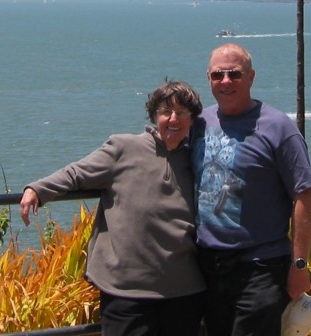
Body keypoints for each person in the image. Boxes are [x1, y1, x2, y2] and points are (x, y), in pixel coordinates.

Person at [19, 80, 205, 336]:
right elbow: (76, 174)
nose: (173, 119)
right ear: (154, 115)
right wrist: (38, 190)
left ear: (192, 120)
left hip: (184, 290)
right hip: (125, 290)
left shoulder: (197, 157)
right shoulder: (123, 148)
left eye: (182, 113)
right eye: (166, 112)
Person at [191, 43, 311, 336]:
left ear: (251, 77)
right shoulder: (199, 122)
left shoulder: (277, 127)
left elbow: (304, 193)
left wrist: (299, 265)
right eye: (217, 75)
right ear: (208, 78)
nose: (225, 82)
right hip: (207, 266)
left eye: (234, 74)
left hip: (260, 265)